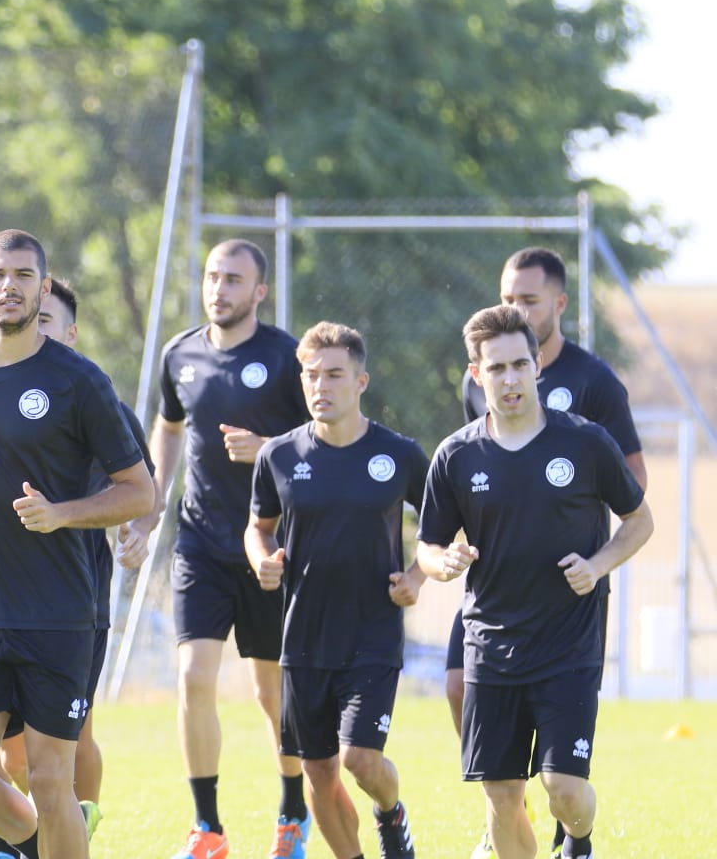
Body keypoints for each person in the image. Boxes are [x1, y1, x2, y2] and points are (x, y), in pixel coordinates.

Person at [0, 229, 155, 859]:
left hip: (60, 613)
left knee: (49, 778)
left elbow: (139, 492)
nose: (9, 286)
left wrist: (61, 514)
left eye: (23, 275)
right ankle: (41, 846)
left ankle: (50, 840)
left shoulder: (80, 382)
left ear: (43, 287)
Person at [417, 305, 653, 859]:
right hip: (490, 645)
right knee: (502, 797)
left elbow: (640, 523)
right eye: (496, 368)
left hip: (567, 644)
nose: (510, 378)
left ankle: (579, 840)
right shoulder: (456, 455)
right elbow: (425, 546)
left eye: (520, 364)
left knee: (563, 791)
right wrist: (441, 561)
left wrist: (597, 566)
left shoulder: (586, 443)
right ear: (477, 375)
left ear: (537, 366)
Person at [131, 238, 311, 859]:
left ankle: (293, 811)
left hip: (269, 549)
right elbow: (170, 427)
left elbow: (321, 438)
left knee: (271, 694)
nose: (220, 289)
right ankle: (206, 828)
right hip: (201, 544)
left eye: (234, 280)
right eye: (213, 277)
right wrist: (152, 503)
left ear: (259, 291)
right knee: (192, 676)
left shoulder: (288, 358)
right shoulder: (179, 354)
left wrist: (269, 448)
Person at [0, 277, 157, 859]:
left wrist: (134, 535)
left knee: (68, 736)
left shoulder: (94, 398)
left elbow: (142, 494)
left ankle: (71, 826)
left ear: (70, 332)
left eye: (46, 321)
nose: (35, 329)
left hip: (76, 599)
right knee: (6, 750)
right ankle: (35, 831)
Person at [244, 322, 425, 859]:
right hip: (302, 639)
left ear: (361, 381)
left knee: (359, 761)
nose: (320, 386)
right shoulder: (277, 455)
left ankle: (391, 815)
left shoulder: (400, 454)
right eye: (311, 375)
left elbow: (446, 524)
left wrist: (415, 576)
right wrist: (262, 560)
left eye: (334, 375)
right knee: (319, 771)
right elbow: (258, 526)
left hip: (372, 634)